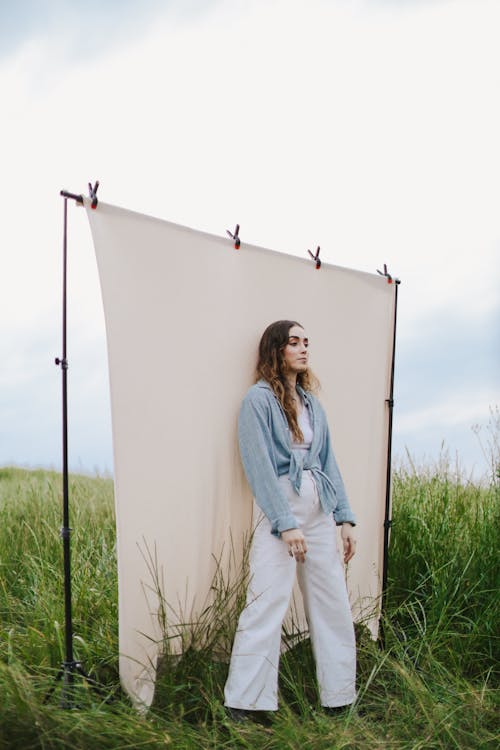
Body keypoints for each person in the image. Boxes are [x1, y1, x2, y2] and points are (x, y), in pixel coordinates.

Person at [224, 319, 357, 721]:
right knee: (267, 599)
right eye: (294, 342)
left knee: (332, 600)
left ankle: (339, 698)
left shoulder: (313, 403)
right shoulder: (257, 400)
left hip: (318, 508)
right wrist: (285, 523)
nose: (303, 349)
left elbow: (328, 460)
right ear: (276, 349)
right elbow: (258, 466)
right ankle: (246, 703)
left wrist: (344, 519)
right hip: (280, 507)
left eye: (306, 342)